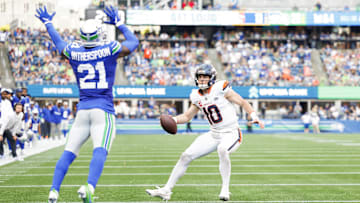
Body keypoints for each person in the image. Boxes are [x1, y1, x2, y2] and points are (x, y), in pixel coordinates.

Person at [35, 5, 139, 203]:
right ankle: (89, 187)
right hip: (103, 109)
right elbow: (133, 42)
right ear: (99, 35)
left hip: (82, 110)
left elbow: (58, 42)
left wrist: (48, 23)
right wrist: (119, 23)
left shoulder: (73, 51)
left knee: (69, 152)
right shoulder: (110, 49)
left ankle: (54, 191)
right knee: (100, 149)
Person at [146, 64, 264, 201]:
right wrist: (173, 119)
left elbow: (243, 102)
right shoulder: (196, 96)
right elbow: (187, 116)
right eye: (200, 77)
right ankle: (166, 190)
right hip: (213, 134)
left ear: (212, 78)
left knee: (222, 149)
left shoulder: (220, 88)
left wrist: (254, 116)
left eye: (205, 77)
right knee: (186, 156)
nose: (202, 80)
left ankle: (225, 189)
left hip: (231, 133)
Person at [0, 89, 21, 161]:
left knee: (12, 139)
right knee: (1, 141)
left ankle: (14, 155)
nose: (5, 95)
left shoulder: (8, 103)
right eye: (3, 94)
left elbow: (11, 115)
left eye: (6, 94)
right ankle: (1, 154)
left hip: (6, 125)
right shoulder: (1, 102)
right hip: (1, 124)